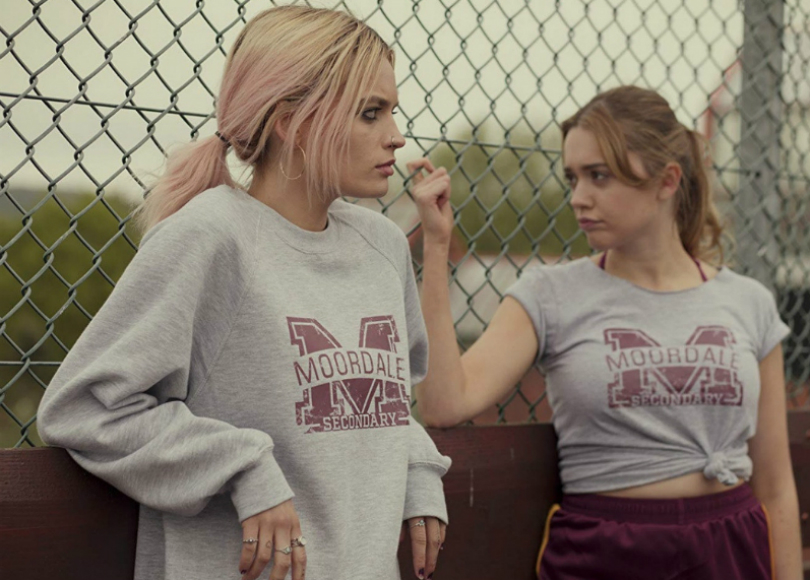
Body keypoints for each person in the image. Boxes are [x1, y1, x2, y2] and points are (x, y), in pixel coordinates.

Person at [37, 6, 450, 580]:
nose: (396, 136)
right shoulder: (210, 237)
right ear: (292, 122)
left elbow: (384, 404)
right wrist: (241, 465)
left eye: (392, 111)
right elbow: (83, 409)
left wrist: (418, 467)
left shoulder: (382, 247)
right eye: (370, 113)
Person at [409, 85, 802, 579]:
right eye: (573, 178)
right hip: (608, 552)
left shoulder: (749, 302)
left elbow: (775, 487)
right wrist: (436, 246)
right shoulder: (550, 294)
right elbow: (445, 402)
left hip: (730, 548)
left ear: (667, 180)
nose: (579, 198)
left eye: (599, 176)